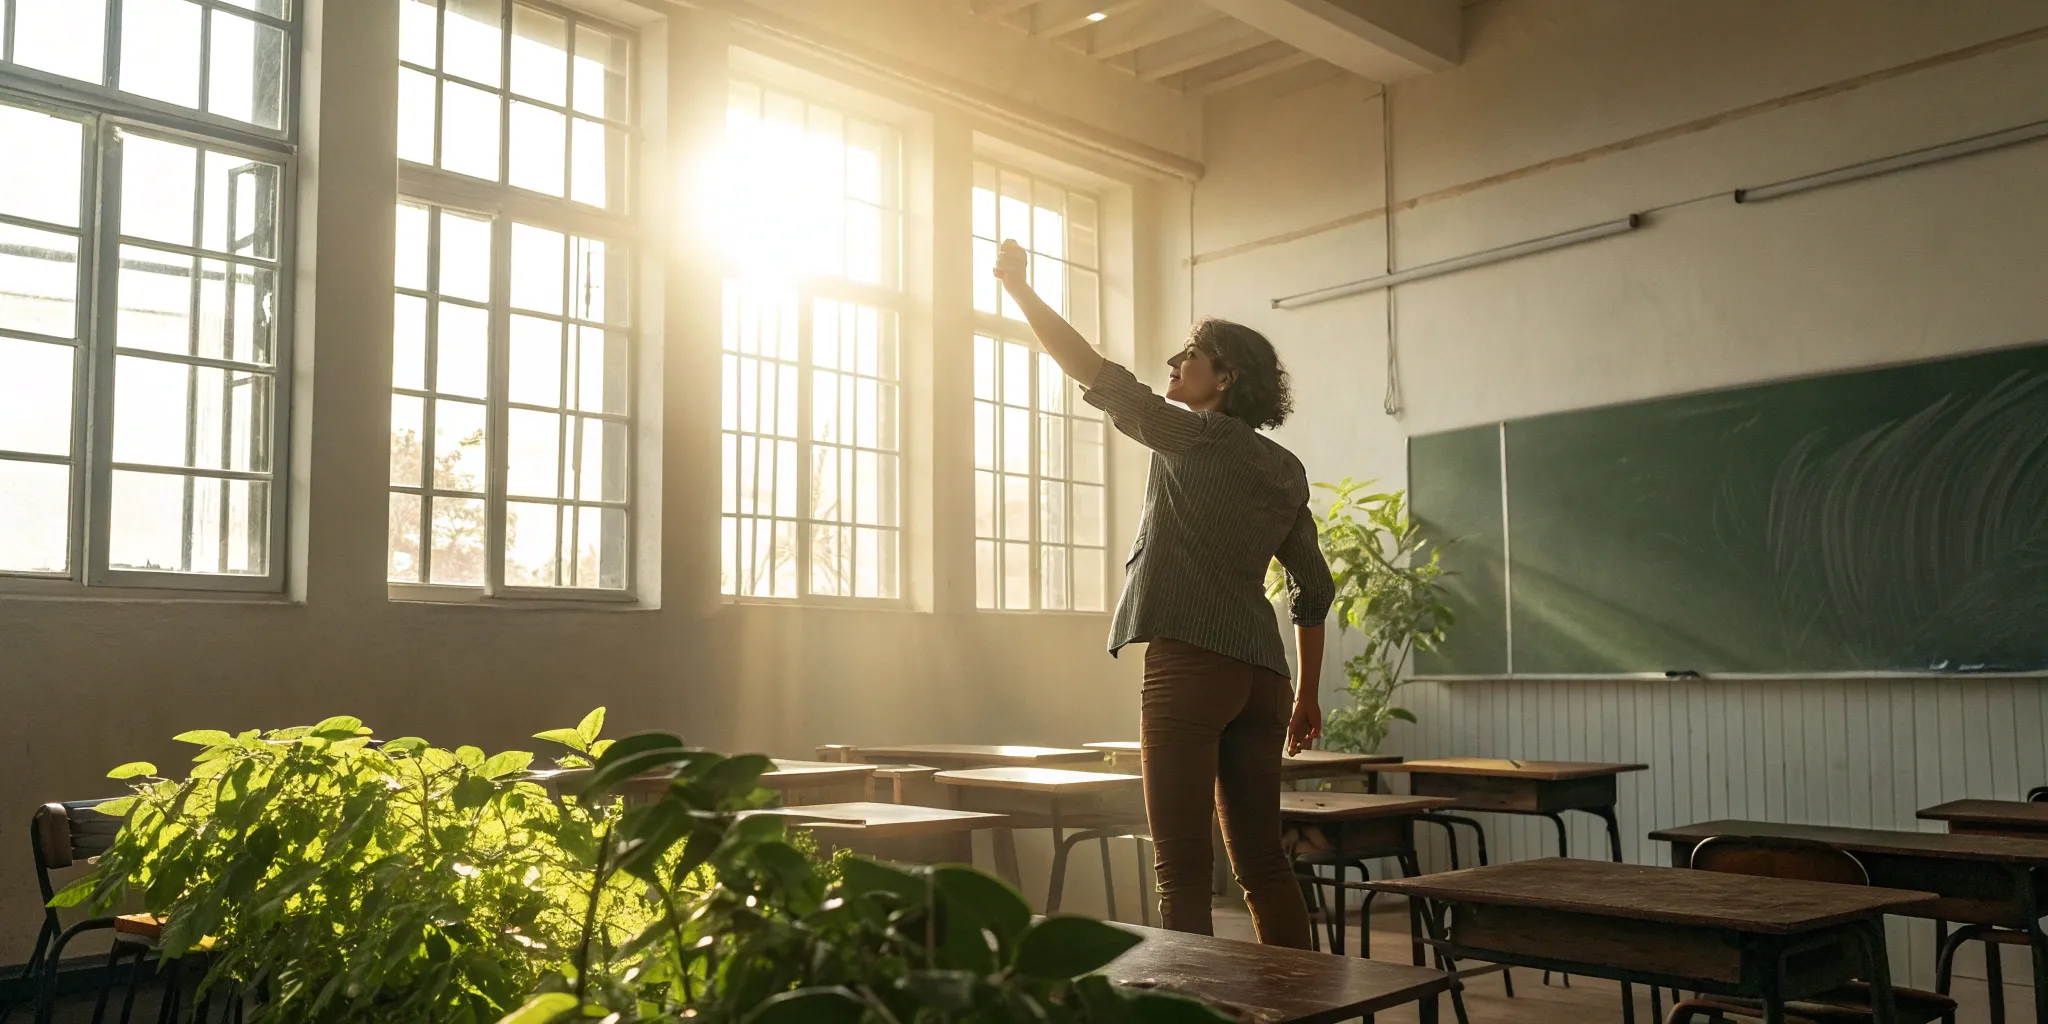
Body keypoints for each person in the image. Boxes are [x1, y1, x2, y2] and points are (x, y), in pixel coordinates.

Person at [992, 239, 1332, 948]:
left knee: (1180, 871)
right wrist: (1306, 693)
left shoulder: (1194, 436)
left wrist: (1020, 291)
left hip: (1192, 663)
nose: (1176, 367)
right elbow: (1315, 584)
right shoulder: (1284, 468)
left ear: (1225, 378)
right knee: (1265, 866)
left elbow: (1095, 374)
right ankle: (1306, 1007)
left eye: (1191, 358)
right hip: (1266, 677)